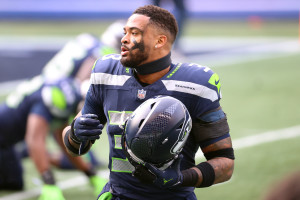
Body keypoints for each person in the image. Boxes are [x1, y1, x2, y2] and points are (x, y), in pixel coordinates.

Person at [62, 5, 235, 200]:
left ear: (160, 41)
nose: (124, 39)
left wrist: (180, 178)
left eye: (134, 33)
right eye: (125, 32)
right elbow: (75, 148)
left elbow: (225, 164)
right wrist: (75, 133)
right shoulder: (107, 73)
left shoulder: (195, 85)